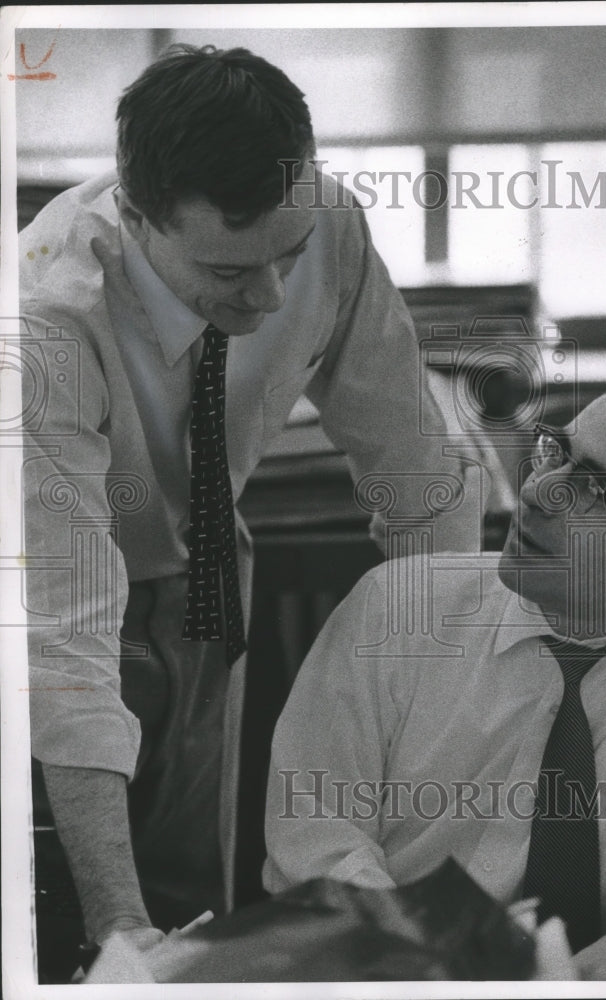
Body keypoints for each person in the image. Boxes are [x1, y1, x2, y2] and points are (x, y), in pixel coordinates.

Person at [21, 44, 478, 969]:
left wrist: (447, 696)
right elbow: (63, 636)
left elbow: (412, 467)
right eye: (229, 273)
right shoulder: (42, 320)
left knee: (196, 899)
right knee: (79, 919)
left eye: (288, 258)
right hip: (45, 594)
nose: (269, 297)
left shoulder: (325, 219)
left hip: (207, 570)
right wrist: (116, 924)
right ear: (140, 216)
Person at [264, 361, 606, 980]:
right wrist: (436, 966)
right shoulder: (394, 612)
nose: (538, 490)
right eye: (556, 451)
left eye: (594, 488)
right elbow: (315, 840)